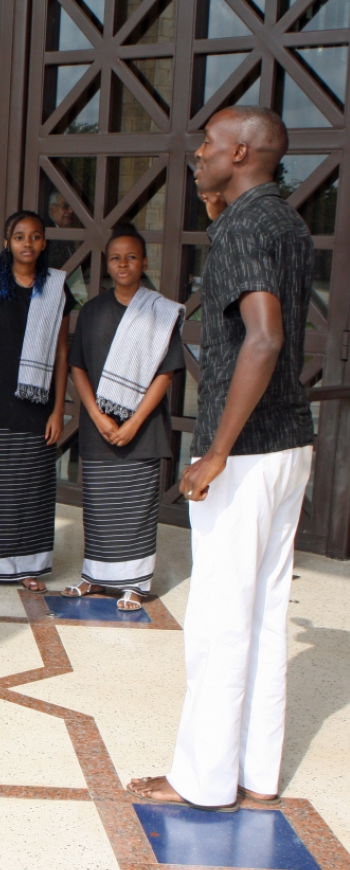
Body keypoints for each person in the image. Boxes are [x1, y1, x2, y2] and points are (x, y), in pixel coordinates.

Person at [129, 106, 314, 812]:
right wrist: (218, 213)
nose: (198, 153)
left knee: (218, 619)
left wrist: (216, 453)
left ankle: (202, 782)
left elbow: (261, 339)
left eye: (208, 145)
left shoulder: (243, 227)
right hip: (289, 443)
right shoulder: (285, 220)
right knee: (263, 615)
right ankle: (256, 774)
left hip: (246, 453)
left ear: (240, 152)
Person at [66, 227, 185, 610]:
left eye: (131, 257)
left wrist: (133, 422)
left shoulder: (159, 313)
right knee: (99, 506)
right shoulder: (93, 311)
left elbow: (165, 373)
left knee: (136, 507)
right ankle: (94, 577)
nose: (123, 264)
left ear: (144, 262)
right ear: (107, 264)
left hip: (142, 429)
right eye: (116, 257)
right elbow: (77, 366)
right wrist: (98, 416)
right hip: (98, 426)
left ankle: (134, 583)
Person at [0, 211, 75, 593]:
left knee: (32, 486)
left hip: (38, 403)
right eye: (19, 237)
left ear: (44, 243)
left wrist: (59, 410)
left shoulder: (57, 288)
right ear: (8, 242)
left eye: (36, 237)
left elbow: (62, 354)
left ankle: (29, 566)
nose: (27, 243)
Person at [45, 191, 78, 272]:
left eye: (72, 206)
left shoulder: (68, 231)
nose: (71, 210)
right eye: (65, 206)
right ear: (52, 210)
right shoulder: (47, 232)